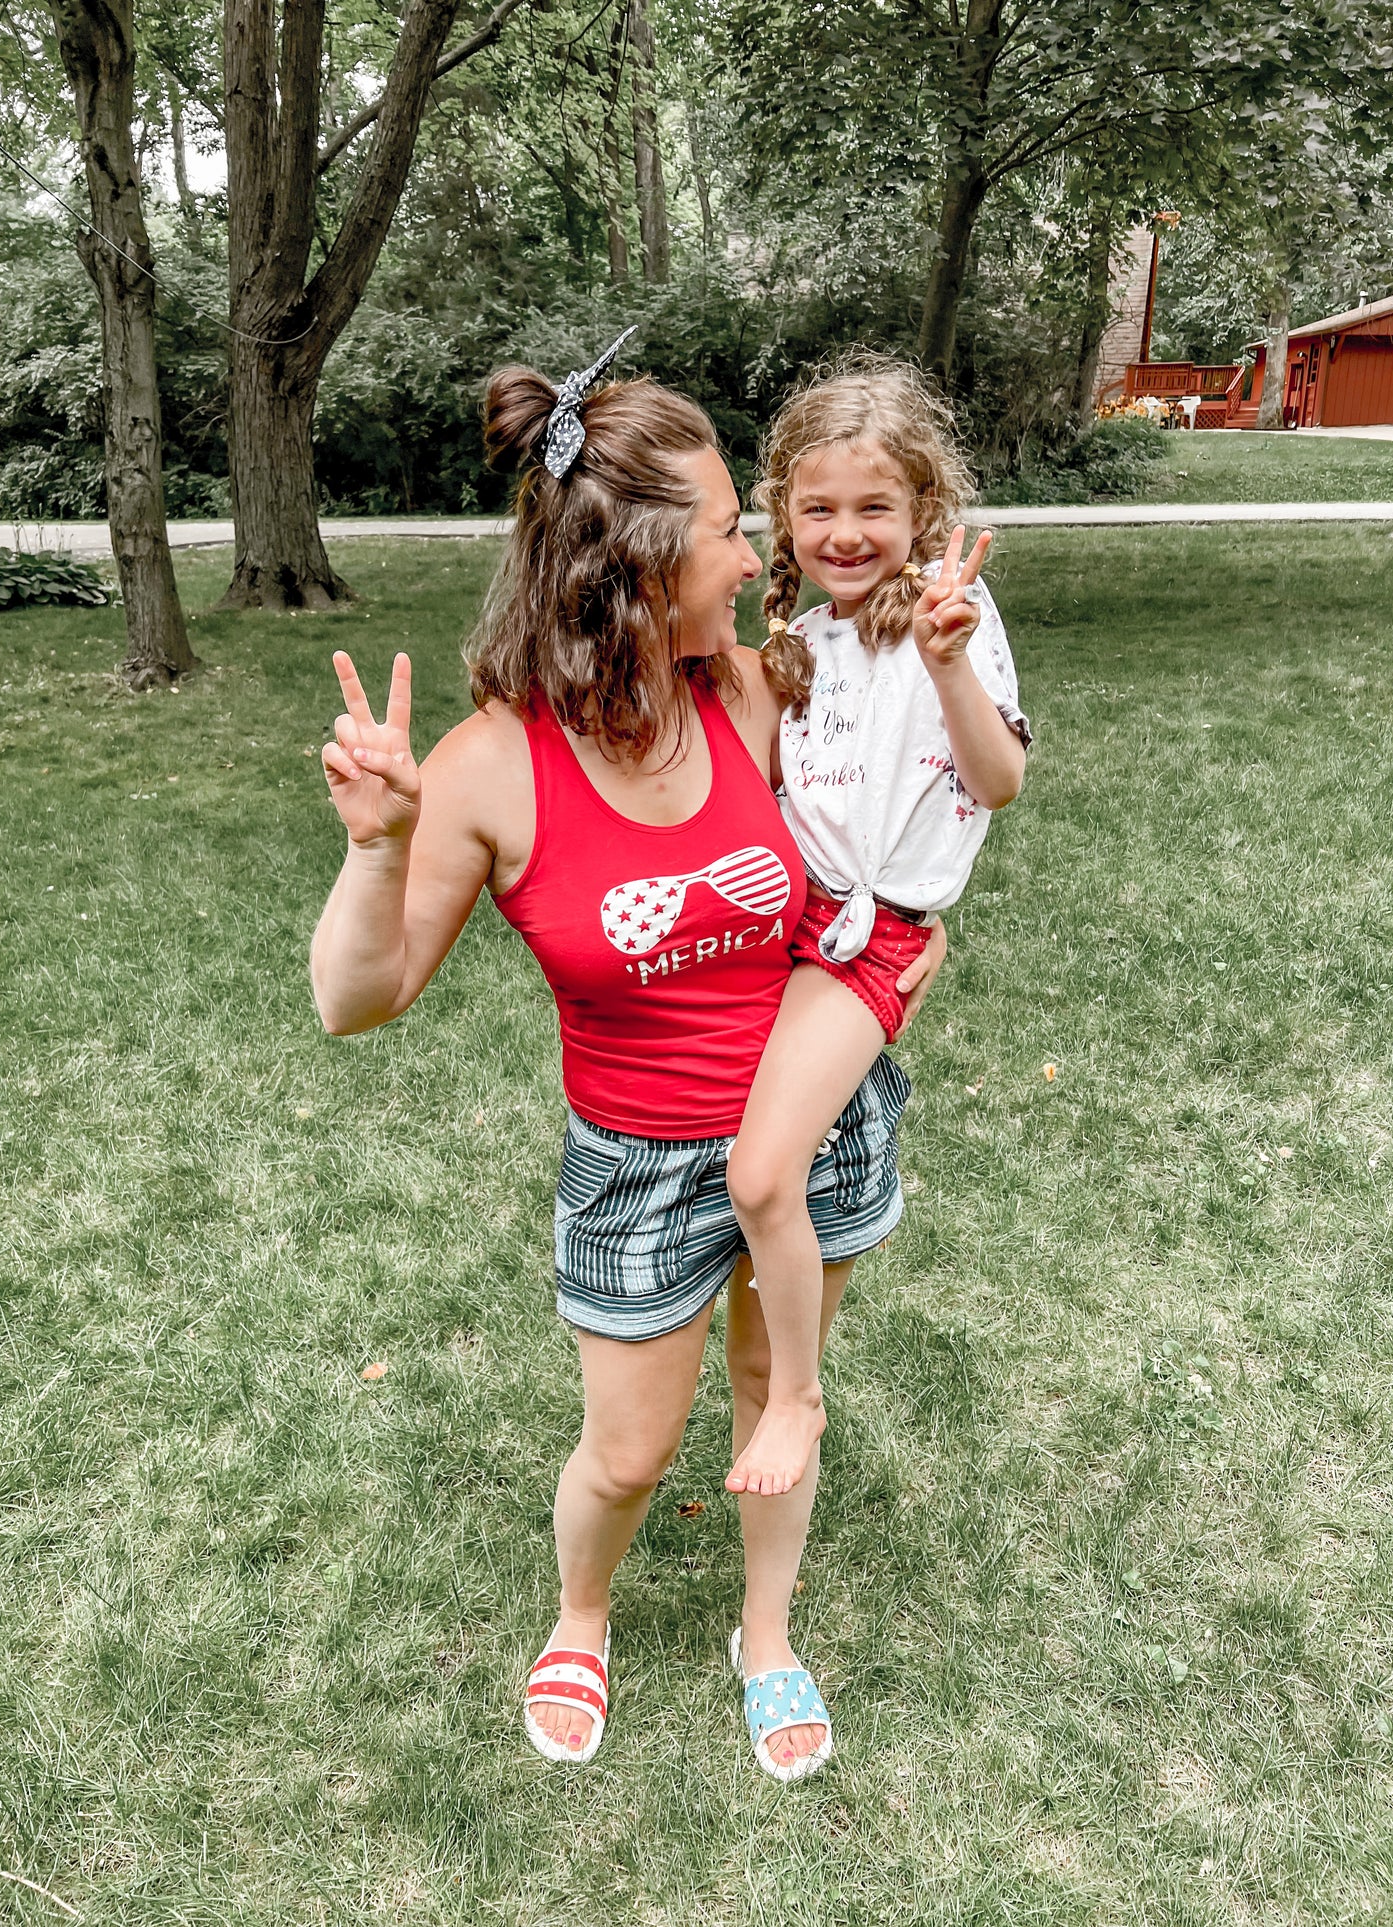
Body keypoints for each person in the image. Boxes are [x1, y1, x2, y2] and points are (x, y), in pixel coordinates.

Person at [308, 337, 945, 1783]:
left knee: (780, 1388)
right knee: (630, 1451)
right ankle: (579, 1614)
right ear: (639, 565)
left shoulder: (757, 690)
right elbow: (358, 999)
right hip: (640, 1167)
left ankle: (765, 1633)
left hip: (811, 1127)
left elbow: (896, 864)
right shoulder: (490, 764)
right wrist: (379, 843)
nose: (755, 555)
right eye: (727, 531)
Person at [724, 356, 1030, 1499]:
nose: (844, 533)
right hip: (790, 925)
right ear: (783, 516)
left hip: (876, 934)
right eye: (818, 509)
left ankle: (794, 1390)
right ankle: (757, 1352)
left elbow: (994, 782)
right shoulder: (805, 637)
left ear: (920, 514)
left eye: (872, 508)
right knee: (750, 1156)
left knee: (761, 1176)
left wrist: (949, 662)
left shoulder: (945, 618)